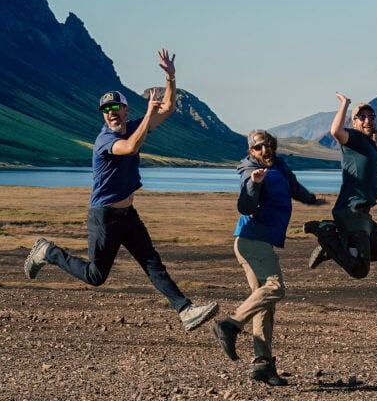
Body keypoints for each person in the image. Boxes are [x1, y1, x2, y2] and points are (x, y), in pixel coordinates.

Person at [23, 49, 219, 332]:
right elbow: (130, 147)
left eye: (116, 108)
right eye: (106, 110)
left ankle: (186, 310)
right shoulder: (104, 140)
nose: (111, 113)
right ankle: (48, 252)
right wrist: (149, 113)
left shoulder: (134, 126)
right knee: (95, 276)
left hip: (127, 214)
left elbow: (169, 108)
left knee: (152, 262)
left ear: (126, 110)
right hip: (104, 216)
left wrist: (170, 76)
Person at [212, 129, 324, 386]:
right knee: (275, 288)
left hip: (260, 241)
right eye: (259, 147)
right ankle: (230, 325)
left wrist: (312, 200)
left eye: (268, 145)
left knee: (263, 300)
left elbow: (294, 187)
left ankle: (262, 364)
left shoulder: (280, 166)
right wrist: (255, 182)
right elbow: (246, 205)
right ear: (251, 151)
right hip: (252, 241)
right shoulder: (250, 170)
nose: (265, 150)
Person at [303, 93, 377, 278]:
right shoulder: (352, 139)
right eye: (361, 117)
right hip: (351, 210)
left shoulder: (368, 144)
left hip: (364, 213)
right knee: (359, 270)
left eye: (371, 116)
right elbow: (335, 131)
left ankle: (332, 248)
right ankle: (325, 232)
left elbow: (376, 153)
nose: (367, 120)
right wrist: (345, 104)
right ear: (353, 123)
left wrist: (375, 132)